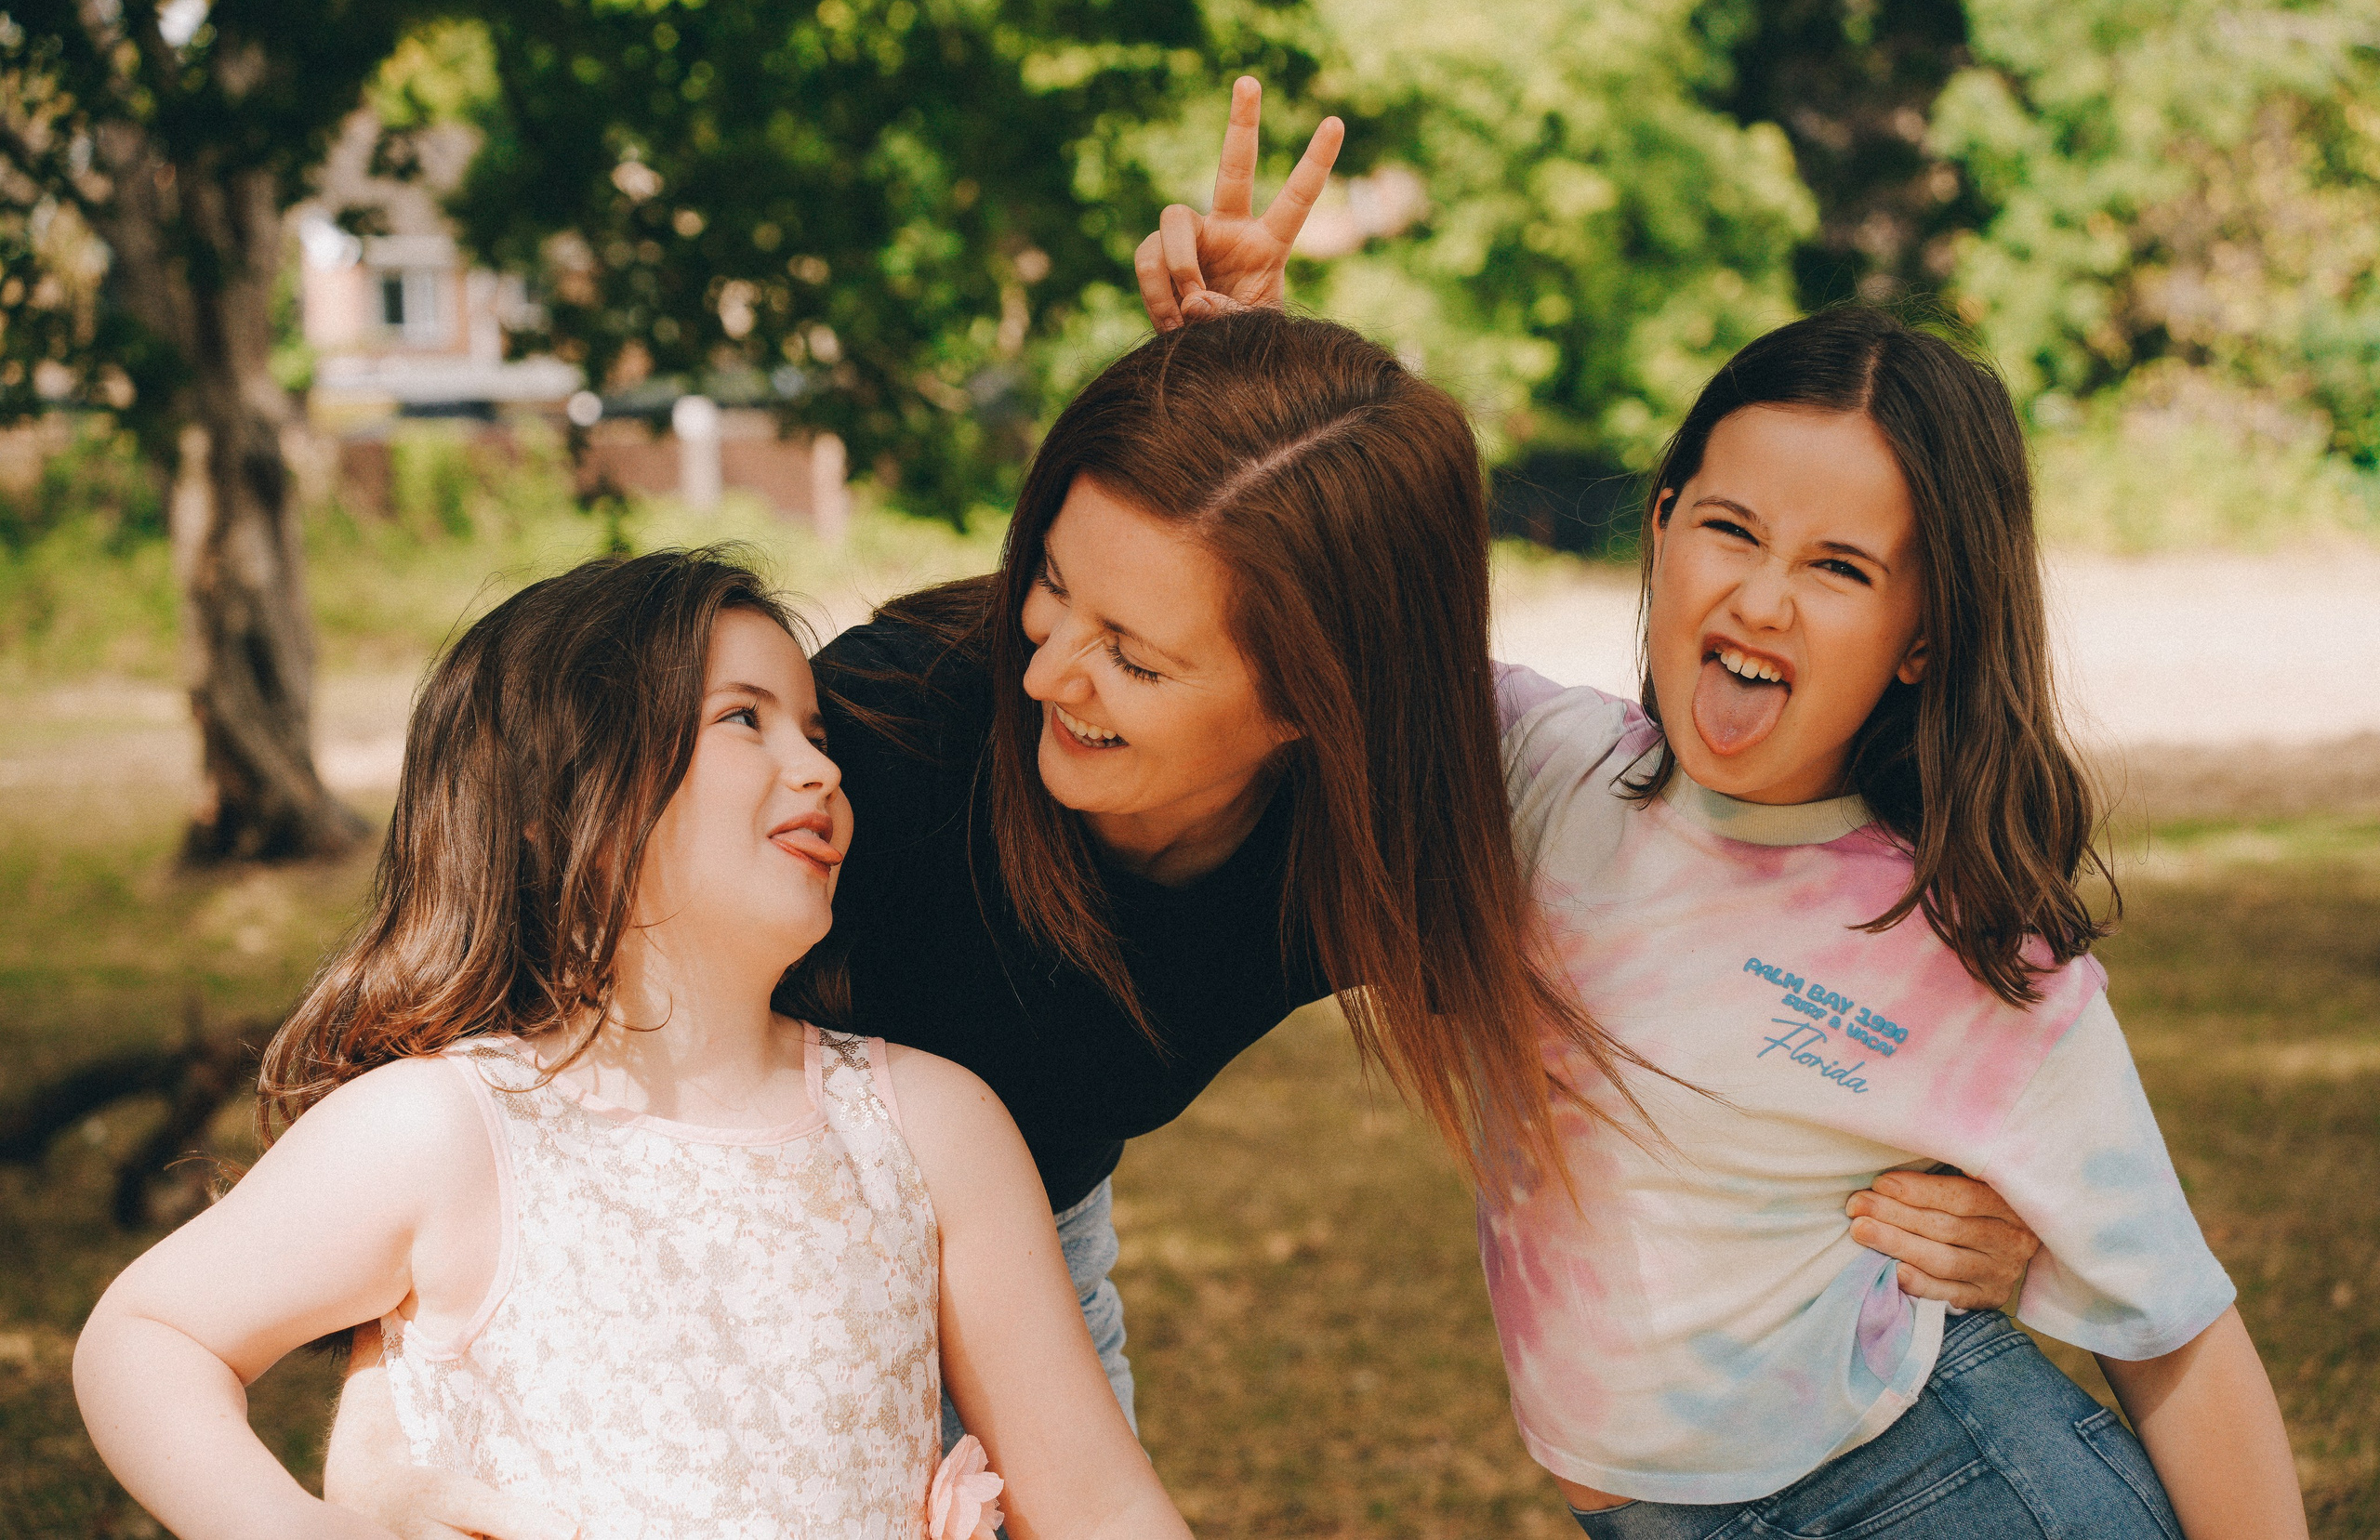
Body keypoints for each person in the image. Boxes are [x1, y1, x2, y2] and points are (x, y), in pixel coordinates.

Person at [323, 86, 2047, 1538]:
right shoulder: (891, 739)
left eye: (1135, 655)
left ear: (1313, 705)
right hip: (741, 1197)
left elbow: (1748, 922)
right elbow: (544, 993)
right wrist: (413, 1386)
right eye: (1051, 586)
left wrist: (2006, 1178)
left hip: (1023, 1230)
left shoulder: (1389, 831)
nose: (1051, 666)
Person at [74, 550, 1192, 1540]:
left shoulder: (932, 1125)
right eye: (744, 720)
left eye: (815, 730)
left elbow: (1097, 1503)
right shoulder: (450, 1129)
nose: (821, 769)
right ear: (564, 798)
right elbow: (147, 1333)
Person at [1484, 306, 2307, 1538]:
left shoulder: (1965, 954)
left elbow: (2178, 1330)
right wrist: (1224, 355)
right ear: (1661, 524)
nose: (1764, 595)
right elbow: (1322, 611)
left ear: (1921, 633)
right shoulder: (1542, 770)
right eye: (1730, 529)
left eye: (1839, 565)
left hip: (1937, 1489)